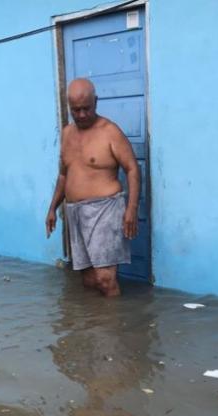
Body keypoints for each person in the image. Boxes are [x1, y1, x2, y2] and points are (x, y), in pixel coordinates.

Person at [44, 78, 140, 297]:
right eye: (75, 110)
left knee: (105, 279)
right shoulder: (67, 134)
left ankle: (116, 328)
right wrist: (52, 208)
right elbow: (63, 174)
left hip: (104, 210)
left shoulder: (110, 132)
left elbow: (132, 168)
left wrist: (131, 209)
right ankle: (96, 329)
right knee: (87, 279)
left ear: (96, 102)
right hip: (74, 212)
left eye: (86, 108)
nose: (81, 115)